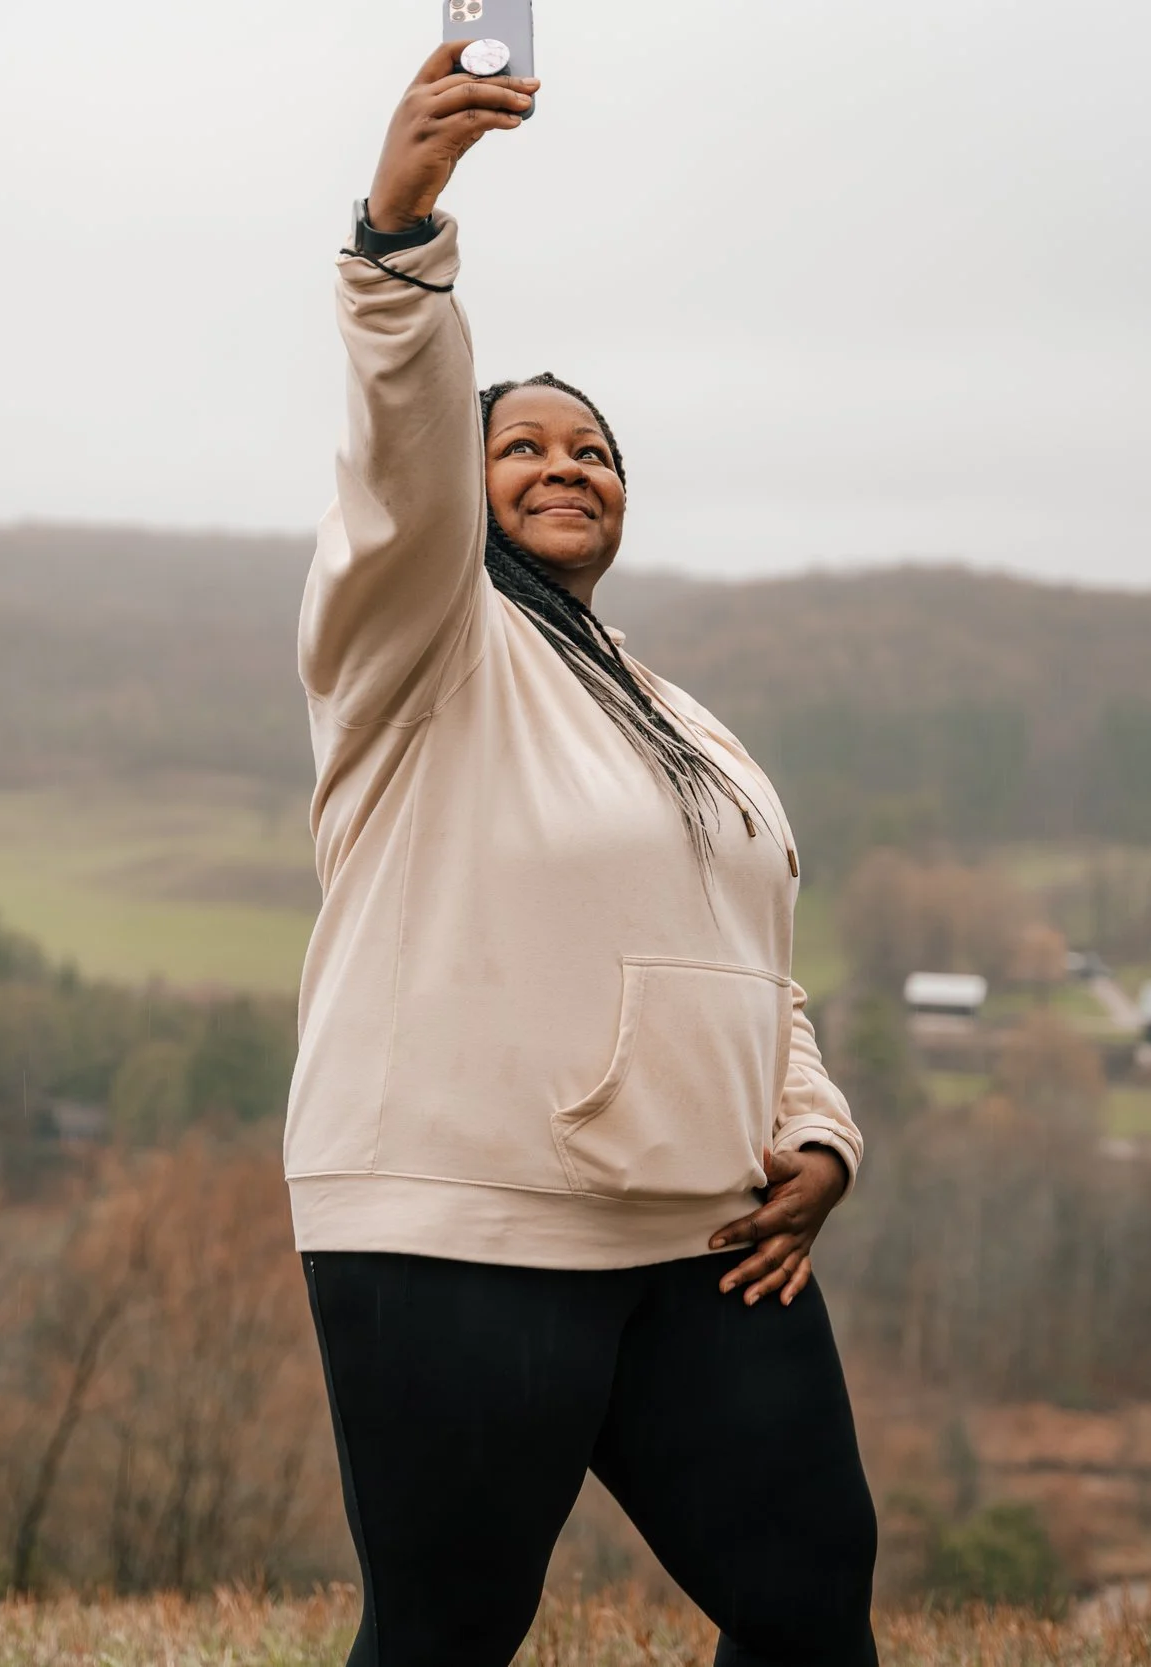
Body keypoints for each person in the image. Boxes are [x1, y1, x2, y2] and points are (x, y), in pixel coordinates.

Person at [288, 44, 877, 1667]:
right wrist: (401, 242)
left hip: (704, 1239)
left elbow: (754, 962)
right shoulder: (420, 653)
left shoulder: (686, 720)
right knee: (451, 1632)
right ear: (465, 498)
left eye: (594, 452)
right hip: (465, 1230)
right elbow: (394, 482)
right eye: (524, 448)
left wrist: (817, 1136)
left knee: (811, 1600)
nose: (565, 466)